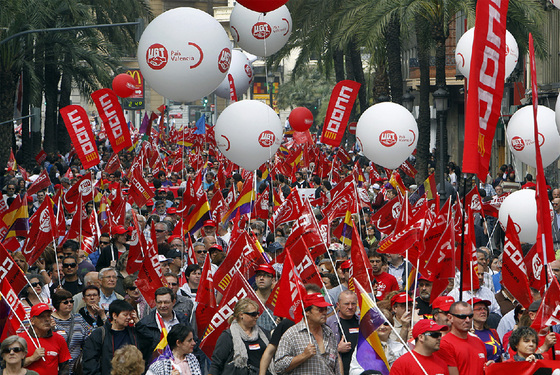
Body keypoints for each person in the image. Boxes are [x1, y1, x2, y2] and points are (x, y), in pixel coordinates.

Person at [275, 293, 341, 375]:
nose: (324, 313)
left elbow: (336, 365)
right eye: (320, 309)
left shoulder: (329, 332)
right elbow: (278, 367)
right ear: (307, 312)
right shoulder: (292, 334)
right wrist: (303, 356)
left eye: (325, 309)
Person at [209, 298, 273, 375]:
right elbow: (216, 364)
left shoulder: (264, 334)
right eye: (253, 314)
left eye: (257, 313)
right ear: (241, 315)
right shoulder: (227, 336)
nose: (257, 316)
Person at [135, 287, 193, 365]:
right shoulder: (145, 324)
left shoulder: (183, 320)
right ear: (155, 302)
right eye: (159, 302)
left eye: (166, 302)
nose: (162, 305)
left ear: (174, 302)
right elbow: (142, 354)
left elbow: (193, 344)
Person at [82, 300, 138, 375]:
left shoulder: (133, 333)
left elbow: (150, 343)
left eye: (130, 314)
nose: (128, 317)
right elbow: (90, 362)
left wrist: (138, 322)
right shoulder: (99, 334)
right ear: (114, 316)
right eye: (125, 315)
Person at [349, 308, 407, 375]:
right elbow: (353, 371)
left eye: (386, 324)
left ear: (391, 326)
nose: (382, 327)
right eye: (378, 323)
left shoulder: (399, 347)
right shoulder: (362, 348)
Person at [436, 301, 487, 375]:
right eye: (462, 317)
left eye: (470, 316)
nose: (467, 320)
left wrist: (490, 367)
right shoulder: (444, 344)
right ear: (450, 318)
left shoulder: (478, 341)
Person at [20, 304, 71, 375]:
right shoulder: (20, 339)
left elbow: (65, 367)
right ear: (32, 321)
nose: (47, 319)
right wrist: (32, 358)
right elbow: (12, 366)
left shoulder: (59, 339)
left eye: (48, 316)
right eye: (42, 316)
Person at [51, 289, 92, 374]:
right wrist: (50, 330)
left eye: (71, 301)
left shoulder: (78, 318)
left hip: (76, 367)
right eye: (65, 302)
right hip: (58, 367)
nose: (69, 304)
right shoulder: (50, 320)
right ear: (57, 304)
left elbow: (89, 335)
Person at [326, 291, 359, 375]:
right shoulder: (328, 323)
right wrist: (337, 349)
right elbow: (320, 351)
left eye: (353, 304)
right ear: (338, 305)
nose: (350, 307)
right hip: (337, 370)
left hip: (358, 369)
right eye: (346, 304)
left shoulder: (362, 322)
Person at [469, 298, 504, 363]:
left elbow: (501, 356)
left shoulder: (493, 332)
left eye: (485, 309)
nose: (483, 311)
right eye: (479, 309)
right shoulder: (468, 334)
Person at [253, 264, 277, 332]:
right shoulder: (249, 299)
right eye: (259, 275)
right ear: (255, 279)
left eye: (266, 275)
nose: (261, 278)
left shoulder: (278, 300)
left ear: (273, 280)